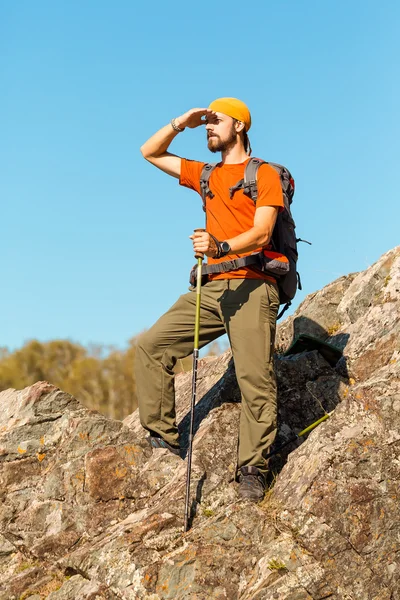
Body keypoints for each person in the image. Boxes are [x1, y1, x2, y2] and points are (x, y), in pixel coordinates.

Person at [136, 98, 285, 502]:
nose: (209, 128)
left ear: (239, 125)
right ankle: (164, 442)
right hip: (211, 288)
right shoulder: (204, 174)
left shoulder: (264, 174)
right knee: (153, 346)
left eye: (216, 121)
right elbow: (150, 151)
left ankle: (253, 468)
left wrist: (219, 246)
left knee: (255, 377)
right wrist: (180, 122)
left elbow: (261, 233)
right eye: (206, 123)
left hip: (252, 285)